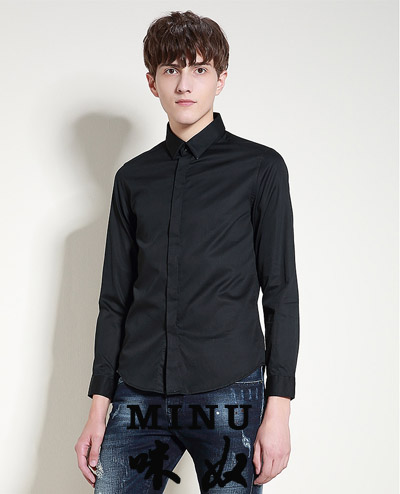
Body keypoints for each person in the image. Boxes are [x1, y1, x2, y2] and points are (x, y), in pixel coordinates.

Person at [75, 10, 300, 493]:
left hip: (230, 389)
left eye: (199, 69)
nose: (184, 84)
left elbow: (281, 291)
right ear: (152, 82)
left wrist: (278, 407)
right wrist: (99, 407)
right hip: (138, 393)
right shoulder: (132, 179)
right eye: (171, 69)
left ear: (221, 79)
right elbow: (114, 301)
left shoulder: (260, 169)